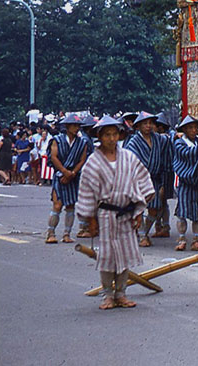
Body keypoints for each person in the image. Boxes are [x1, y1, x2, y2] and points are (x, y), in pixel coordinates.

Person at [75, 116, 154, 310]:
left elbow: (142, 181)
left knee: (125, 255)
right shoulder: (93, 163)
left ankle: (121, 293)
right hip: (105, 215)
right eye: (107, 135)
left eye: (114, 134)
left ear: (120, 135)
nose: (111, 138)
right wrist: (91, 220)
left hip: (126, 213)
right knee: (107, 257)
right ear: (99, 137)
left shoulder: (129, 157)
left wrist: (137, 212)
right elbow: (87, 192)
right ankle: (108, 295)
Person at [124, 112, 171, 246]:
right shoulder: (134, 142)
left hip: (154, 179)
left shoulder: (158, 139)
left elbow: (169, 140)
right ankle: (142, 235)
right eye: (145, 123)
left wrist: (177, 135)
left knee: (154, 208)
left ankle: (145, 232)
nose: (148, 126)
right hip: (138, 179)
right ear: (138, 126)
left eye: (150, 123)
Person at [46, 114, 91, 243]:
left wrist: (72, 173)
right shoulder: (57, 140)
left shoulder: (82, 142)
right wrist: (64, 171)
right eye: (74, 125)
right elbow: (54, 157)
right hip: (60, 175)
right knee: (57, 204)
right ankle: (51, 233)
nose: (77, 128)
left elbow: (82, 159)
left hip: (74, 176)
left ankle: (67, 234)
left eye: (78, 126)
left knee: (71, 205)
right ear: (67, 126)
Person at [172, 115, 198, 252]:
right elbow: (186, 154)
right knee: (182, 212)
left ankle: (196, 241)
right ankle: (182, 239)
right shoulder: (179, 143)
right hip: (185, 181)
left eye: (194, 127)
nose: (193, 130)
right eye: (190, 128)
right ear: (185, 130)